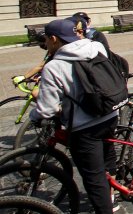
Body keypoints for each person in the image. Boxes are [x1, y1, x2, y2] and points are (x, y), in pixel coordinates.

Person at [30, 19, 120, 214]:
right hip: (110, 113)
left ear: (53, 39)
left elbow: (47, 109)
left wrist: (34, 115)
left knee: (94, 180)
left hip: (85, 127)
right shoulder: (96, 47)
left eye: (46, 39)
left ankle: (106, 207)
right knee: (106, 158)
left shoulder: (54, 67)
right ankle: (113, 191)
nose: (46, 43)